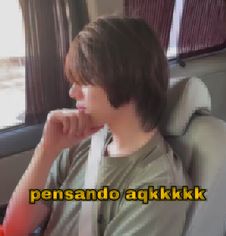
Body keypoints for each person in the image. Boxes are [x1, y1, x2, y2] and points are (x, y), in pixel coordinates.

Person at [2, 16, 191, 236]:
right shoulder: (80, 143)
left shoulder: (158, 187)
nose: (73, 92)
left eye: (84, 81)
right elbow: (14, 227)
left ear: (124, 79)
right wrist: (47, 149)